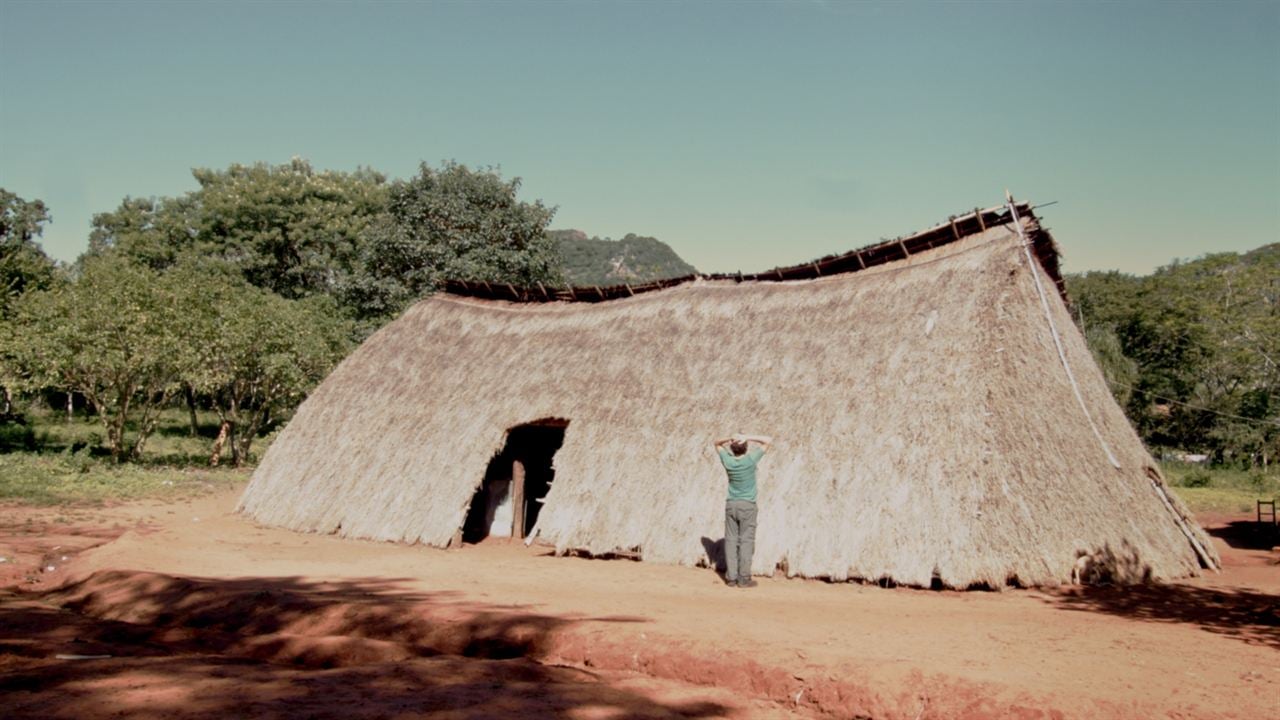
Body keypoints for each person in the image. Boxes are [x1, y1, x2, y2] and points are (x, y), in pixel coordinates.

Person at [712, 433, 772, 588]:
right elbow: (768, 440)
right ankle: (743, 578)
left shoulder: (728, 461)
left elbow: (716, 443)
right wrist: (748, 436)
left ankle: (731, 578)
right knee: (746, 541)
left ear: (732, 448)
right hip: (748, 505)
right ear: (745, 448)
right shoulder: (750, 460)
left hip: (731, 504)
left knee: (731, 540)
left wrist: (729, 438)